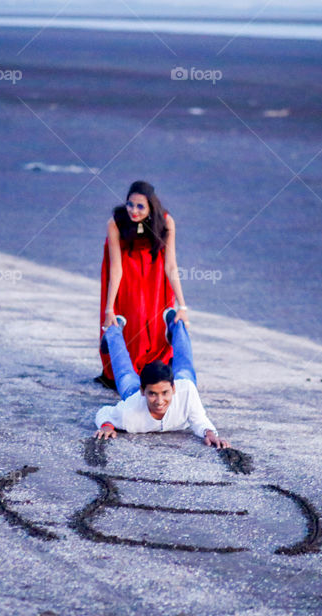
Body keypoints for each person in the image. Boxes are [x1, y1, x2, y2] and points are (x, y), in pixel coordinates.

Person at [96, 181, 189, 389]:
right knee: (132, 316)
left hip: (154, 269)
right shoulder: (116, 222)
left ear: (150, 207)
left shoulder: (165, 222)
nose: (133, 211)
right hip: (126, 270)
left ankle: (156, 367)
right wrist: (109, 309)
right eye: (130, 204)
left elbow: (171, 265)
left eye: (140, 206)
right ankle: (123, 367)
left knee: (156, 320)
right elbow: (116, 268)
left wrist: (182, 307)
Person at [94, 308, 230, 448]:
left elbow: (199, 420)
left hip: (175, 383)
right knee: (125, 374)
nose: (159, 401)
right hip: (133, 393)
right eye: (153, 394)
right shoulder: (128, 412)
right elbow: (104, 413)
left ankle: (175, 324)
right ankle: (113, 332)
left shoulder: (186, 391)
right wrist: (107, 426)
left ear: (173, 388)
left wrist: (210, 433)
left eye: (165, 393)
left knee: (185, 367)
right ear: (143, 391)